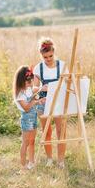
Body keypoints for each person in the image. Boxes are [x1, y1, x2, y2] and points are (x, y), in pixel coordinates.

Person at [33, 37, 68, 169]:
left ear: (54, 52)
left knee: (61, 131)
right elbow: (34, 88)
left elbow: (68, 84)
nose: (48, 59)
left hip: (59, 101)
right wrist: (43, 88)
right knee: (46, 131)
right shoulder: (38, 68)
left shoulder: (62, 65)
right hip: (43, 102)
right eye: (45, 57)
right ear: (41, 55)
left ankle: (61, 161)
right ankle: (49, 159)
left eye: (50, 56)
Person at [13, 66, 45, 170]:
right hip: (27, 120)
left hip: (34, 117)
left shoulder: (28, 89)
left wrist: (41, 91)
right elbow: (26, 108)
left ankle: (31, 162)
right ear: (21, 81)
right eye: (28, 82)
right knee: (25, 142)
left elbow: (34, 91)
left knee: (32, 141)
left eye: (31, 81)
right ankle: (23, 165)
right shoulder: (19, 94)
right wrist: (35, 100)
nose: (30, 84)